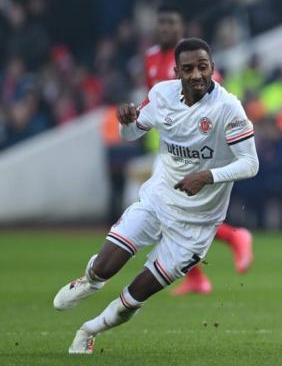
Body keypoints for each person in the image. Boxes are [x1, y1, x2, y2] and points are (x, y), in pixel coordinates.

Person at [53, 38, 260, 354]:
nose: (196, 75)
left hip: (196, 226)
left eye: (202, 67)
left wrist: (208, 176)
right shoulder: (161, 95)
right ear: (177, 71)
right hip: (158, 200)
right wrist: (126, 123)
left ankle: (88, 330)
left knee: (133, 298)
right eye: (188, 69)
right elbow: (133, 133)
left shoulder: (227, 108)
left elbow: (250, 163)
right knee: (106, 267)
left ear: (212, 68)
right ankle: (90, 280)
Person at [145, 3, 254, 295]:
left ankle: (233, 238)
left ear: (182, 28)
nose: (166, 28)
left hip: (198, 148)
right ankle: (197, 276)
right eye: (162, 22)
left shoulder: (195, 61)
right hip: (168, 148)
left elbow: (213, 100)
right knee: (170, 212)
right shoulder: (151, 58)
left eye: (172, 23)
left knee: (175, 210)